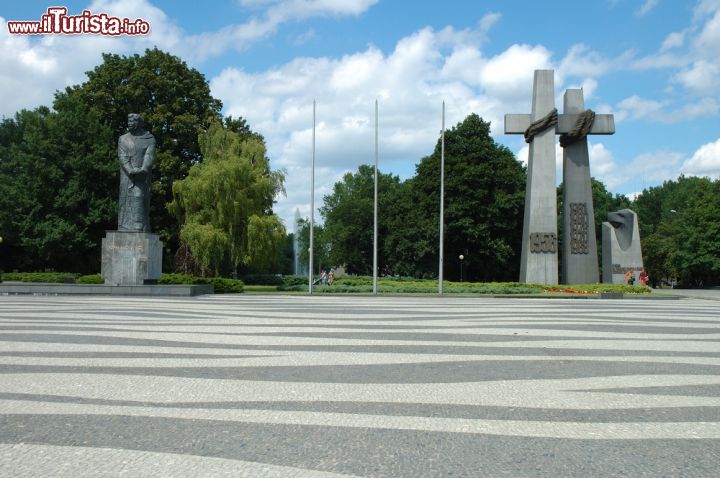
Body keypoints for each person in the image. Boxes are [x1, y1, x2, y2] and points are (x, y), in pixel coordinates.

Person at [118, 113, 156, 232]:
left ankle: (139, 225)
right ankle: (123, 226)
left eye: (133, 121)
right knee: (125, 200)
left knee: (139, 196)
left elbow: (149, 155)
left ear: (139, 123)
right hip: (126, 175)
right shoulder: (123, 139)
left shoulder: (149, 139)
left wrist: (144, 169)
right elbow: (122, 156)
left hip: (143, 175)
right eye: (128, 121)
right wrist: (130, 171)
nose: (129, 123)